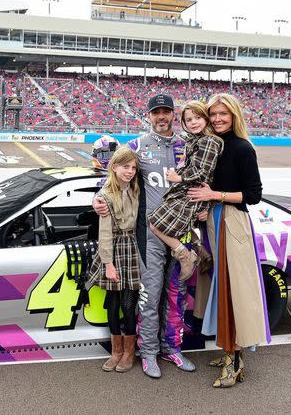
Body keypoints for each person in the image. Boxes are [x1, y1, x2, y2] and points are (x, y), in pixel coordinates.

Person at [93, 94, 194, 378]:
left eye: (166, 111)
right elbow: (114, 175)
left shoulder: (186, 145)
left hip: (180, 234)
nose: (161, 116)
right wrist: (98, 199)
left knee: (176, 297)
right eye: (156, 112)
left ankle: (171, 348)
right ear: (148, 116)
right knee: (149, 299)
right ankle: (148, 352)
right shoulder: (136, 146)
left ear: (174, 114)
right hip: (148, 236)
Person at [187, 93, 271, 388]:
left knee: (232, 293)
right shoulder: (213, 145)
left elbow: (253, 195)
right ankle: (228, 352)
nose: (218, 119)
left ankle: (234, 362)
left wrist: (214, 196)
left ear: (234, 115)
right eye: (214, 114)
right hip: (213, 221)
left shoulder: (242, 148)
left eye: (224, 114)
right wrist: (207, 206)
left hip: (232, 223)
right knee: (218, 291)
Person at [149, 101, 223, 281]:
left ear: (206, 119)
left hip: (191, 193)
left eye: (198, 118)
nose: (193, 122)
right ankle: (200, 252)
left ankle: (186, 257)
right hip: (189, 192)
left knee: (155, 224)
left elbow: (202, 171)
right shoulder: (196, 139)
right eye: (188, 119)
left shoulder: (209, 141)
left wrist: (179, 177)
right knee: (181, 228)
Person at [87, 146, 141, 373]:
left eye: (133, 168)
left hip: (134, 249)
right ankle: (116, 351)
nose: (129, 171)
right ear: (114, 167)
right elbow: (105, 234)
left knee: (129, 305)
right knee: (113, 303)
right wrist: (108, 265)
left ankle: (129, 352)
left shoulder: (137, 188)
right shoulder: (106, 195)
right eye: (125, 167)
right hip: (114, 251)